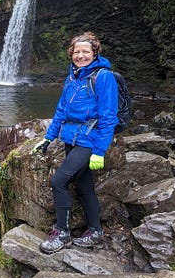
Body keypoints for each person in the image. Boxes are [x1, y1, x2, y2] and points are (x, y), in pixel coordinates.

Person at [31, 31, 118, 254]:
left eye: (85, 51)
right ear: (71, 54)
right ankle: (95, 232)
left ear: (94, 53)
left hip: (89, 141)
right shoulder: (72, 77)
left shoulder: (103, 77)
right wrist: (48, 137)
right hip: (71, 138)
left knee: (59, 181)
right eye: (76, 51)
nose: (80, 55)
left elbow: (109, 117)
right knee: (84, 185)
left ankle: (62, 233)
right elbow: (61, 110)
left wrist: (99, 151)